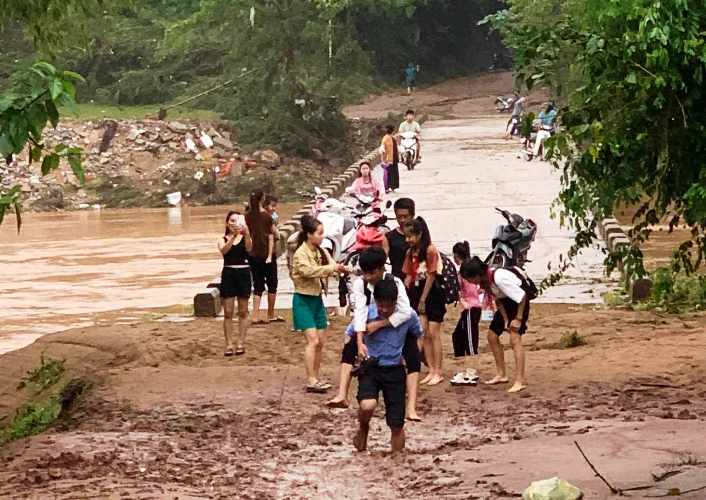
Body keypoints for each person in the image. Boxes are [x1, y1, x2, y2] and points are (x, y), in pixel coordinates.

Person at [326, 247, 423, 421]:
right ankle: (342, 394)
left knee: (413, 356)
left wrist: (380, 324)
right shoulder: (360, 283)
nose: (368, 277)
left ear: (381, 268)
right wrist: (360, 341)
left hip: (396, 323)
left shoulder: (396, 283)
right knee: (350, 347)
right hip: (370, 321)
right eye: (365, 273)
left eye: (371, 273)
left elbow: (405, 312)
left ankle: (411, 408)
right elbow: (360, 311)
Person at [353, 278, 423, 453]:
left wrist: (413, 357)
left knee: (396, 424)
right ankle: (363, 426)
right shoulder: (365, 314)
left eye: (388, 306)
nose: (384, 310)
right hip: (371, 367)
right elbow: (350, 334)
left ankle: (397, 460)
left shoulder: (408, 315)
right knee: (367, 405)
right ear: (375, 301)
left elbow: (418, 335)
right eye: (380, 306)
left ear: (396, 302)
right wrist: (359, 348)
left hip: (395, 369)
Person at [291, 215, 349, 393]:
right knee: (312, 340)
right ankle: (311, 380)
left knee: (321, 341)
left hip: (317, 299)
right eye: (319, 233)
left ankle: (315, 377)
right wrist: (332, 268)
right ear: (309, 234)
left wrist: (341, 269)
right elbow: (308, 272)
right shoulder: (301, 254)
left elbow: (332, 266)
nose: (322, 236)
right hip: (303, 300)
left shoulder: (321, 251)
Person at [459, 257, 531, 393]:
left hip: (519, 302)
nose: (469, 282)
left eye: (469, 279)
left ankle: (520, 380)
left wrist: (518, 319)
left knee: (515, 338)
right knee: (492, 336)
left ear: (477, 275)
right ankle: (501, 374)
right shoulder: (486, 281)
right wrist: (505, 320)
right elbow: (497, 299)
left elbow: (522, 296)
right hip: (506, 303)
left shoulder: (499, 278)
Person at [402, 217, 446, 386]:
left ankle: (438, 371)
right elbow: (408, 275)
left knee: (434, 332)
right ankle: (431, 369)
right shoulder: (410, 253)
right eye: (406, 237)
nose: (408, 240)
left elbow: (431, 275)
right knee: (424, 332)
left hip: (432, 293)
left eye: (410, 236)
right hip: (417, 291)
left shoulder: (430, 250)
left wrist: (423, 299)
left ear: (420, 234)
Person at [218, 211, 253, 356]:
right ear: (227, 223)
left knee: (243, 311)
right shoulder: (222, 238)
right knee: (228, 312)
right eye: (231, 221)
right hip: (229, 274)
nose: (234, 223)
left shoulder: (245, 236)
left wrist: (246, 232)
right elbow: (224, 251)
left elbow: (249, 248)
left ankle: (241, 342)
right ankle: (228, 344)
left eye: (236, 220)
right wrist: (232, 237)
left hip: (244, 273)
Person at [245, 189, 282, 324]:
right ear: (262, 200)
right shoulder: (266, 216)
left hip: (253, 255)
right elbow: (276, 235)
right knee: (272, 284)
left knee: (258, 284)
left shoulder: (247, 216)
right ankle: (270, 314)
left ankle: (255, 315)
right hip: (267, 254)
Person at [450, 242, 483, 386]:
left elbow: (472, 289)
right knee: (457, 336)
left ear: (456, 256)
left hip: (471, 308)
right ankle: (462, 370)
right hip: (468, 308)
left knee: (470, 340)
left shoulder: (465, 272)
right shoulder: (467, 269)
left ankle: (471, 372)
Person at [386, 198, 415, 280]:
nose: (402, 220)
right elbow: (382, 258)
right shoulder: (389, 237)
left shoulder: (420, 233)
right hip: (398, 281)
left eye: (405, 216)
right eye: (399, 217)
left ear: (412, 215)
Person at [379, 125, 400, 193]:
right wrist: (382, 160)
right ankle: (387, 188)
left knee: (394, 174)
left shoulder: (393, 138)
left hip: (394, 158)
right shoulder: (385, 138)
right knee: (387, 174)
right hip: (388, 160)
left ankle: (393, 187)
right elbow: (382, 149)